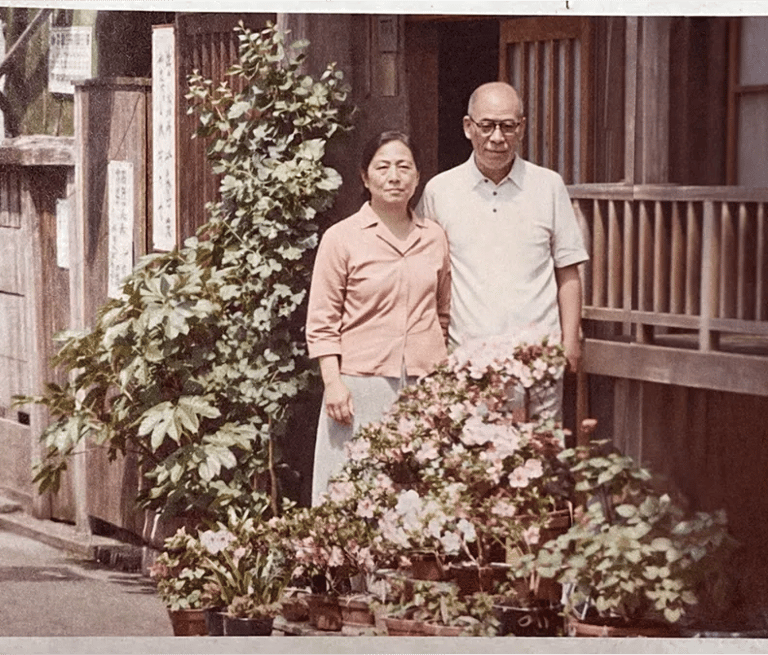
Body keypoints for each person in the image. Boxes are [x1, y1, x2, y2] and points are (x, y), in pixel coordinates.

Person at [416, 81, 588, 420]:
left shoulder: (548, 186)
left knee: (539, 461)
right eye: (487, 126)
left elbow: (568, 271)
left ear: (521, 128)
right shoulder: (441, 191)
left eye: (508, 126)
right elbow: (426, 274)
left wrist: (570, 341)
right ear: (468, 127)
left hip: (538, 359)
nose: (497, 137)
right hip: (468, 359)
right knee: (471, 464)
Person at [306, 130, 451, 505]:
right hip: (360, 386)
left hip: (423, 386)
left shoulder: (434, 237)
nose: (394, 176)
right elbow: (322, 320)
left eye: (404, 167)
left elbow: (443, 312)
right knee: (352, 491)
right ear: (365, 177)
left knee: (416, 493)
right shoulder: (341, 238)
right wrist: (333, 382)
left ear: (418, 177)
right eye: (383, 167)